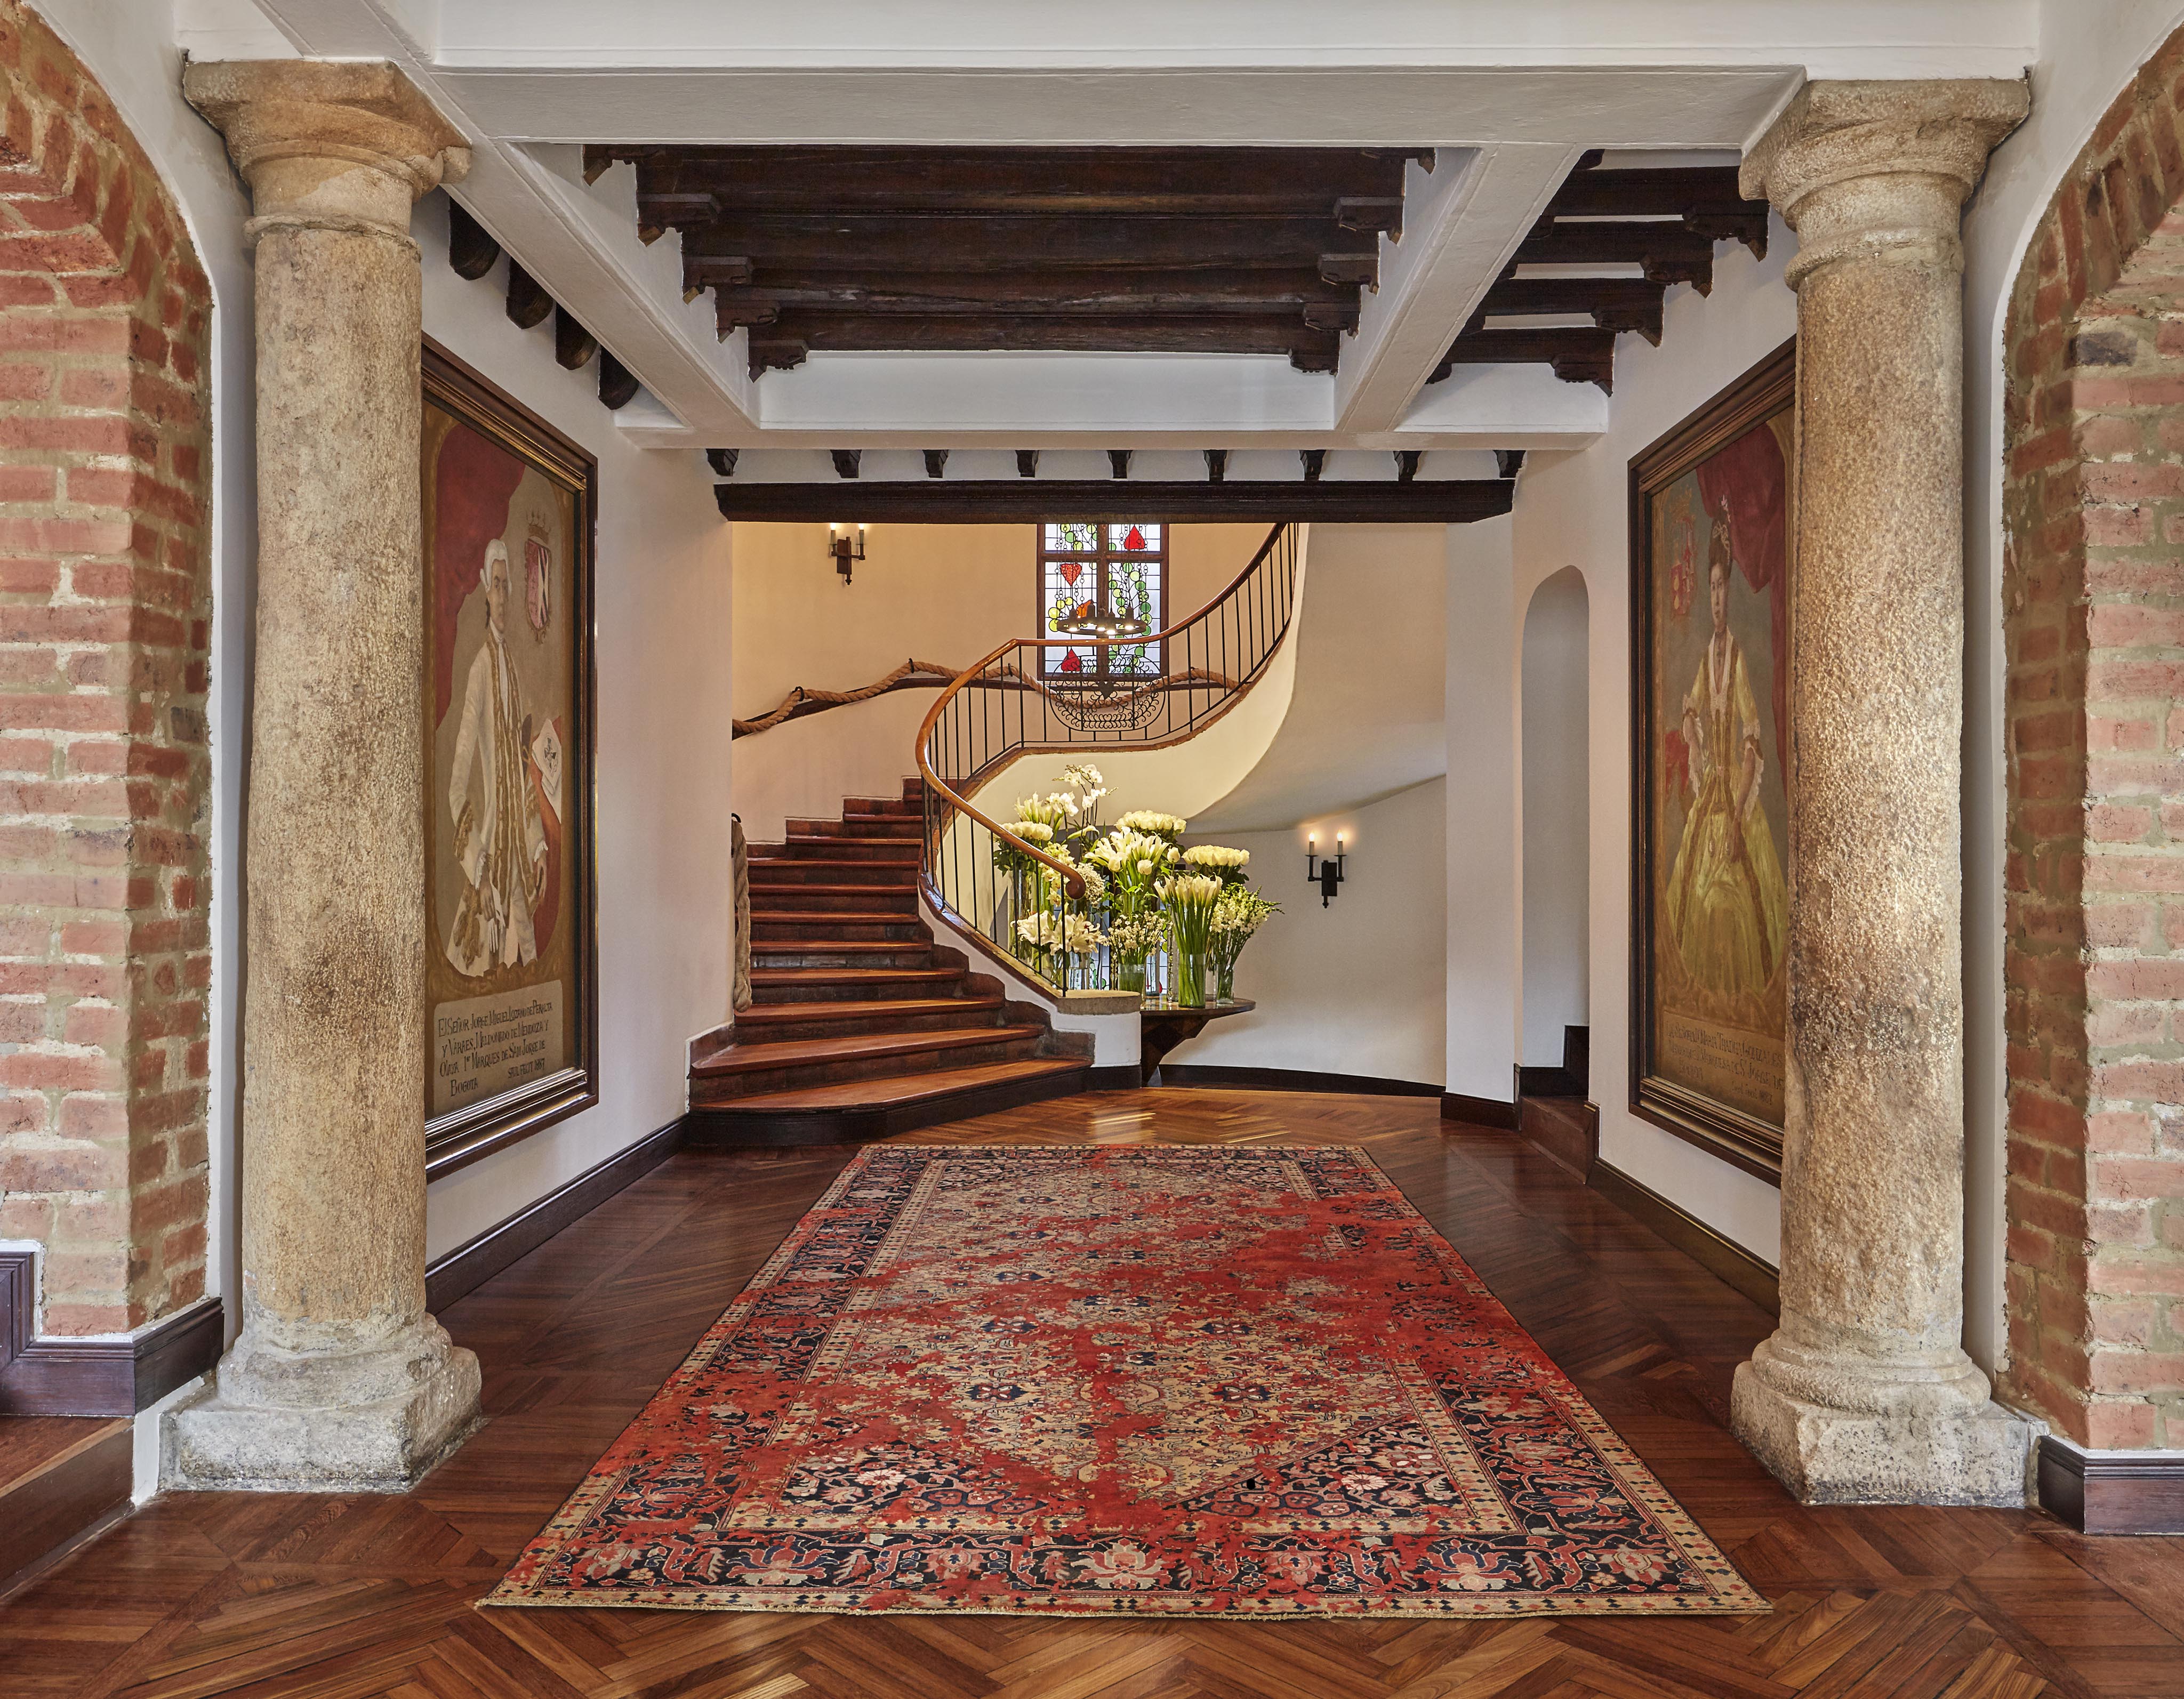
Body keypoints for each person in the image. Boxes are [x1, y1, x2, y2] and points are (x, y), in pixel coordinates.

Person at [1665, 510, 1788, 999]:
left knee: (1737, 904)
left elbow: (1752, 737)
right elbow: (1690, 707)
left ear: (1732, 592)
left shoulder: (1736, 658)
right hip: (1710, 787)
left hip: (1733, 793)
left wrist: (1738, 816)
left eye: (1722, 588)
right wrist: (1693, 735)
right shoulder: (1705, 657)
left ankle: (1738, 1000)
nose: (1716, 598)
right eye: (1711, 588)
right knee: (1691, 895)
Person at [445, 538, 549, 977]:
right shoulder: (479, 671)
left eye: (508, 585)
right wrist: (480, 871)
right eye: (497, 585)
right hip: (491, 867)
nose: (503, 596)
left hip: (520, 866)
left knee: (529, 970)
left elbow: (521, 773)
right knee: (483, 977)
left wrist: (539, 845)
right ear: (486, 590)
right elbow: (456, 789)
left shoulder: (514, 670)